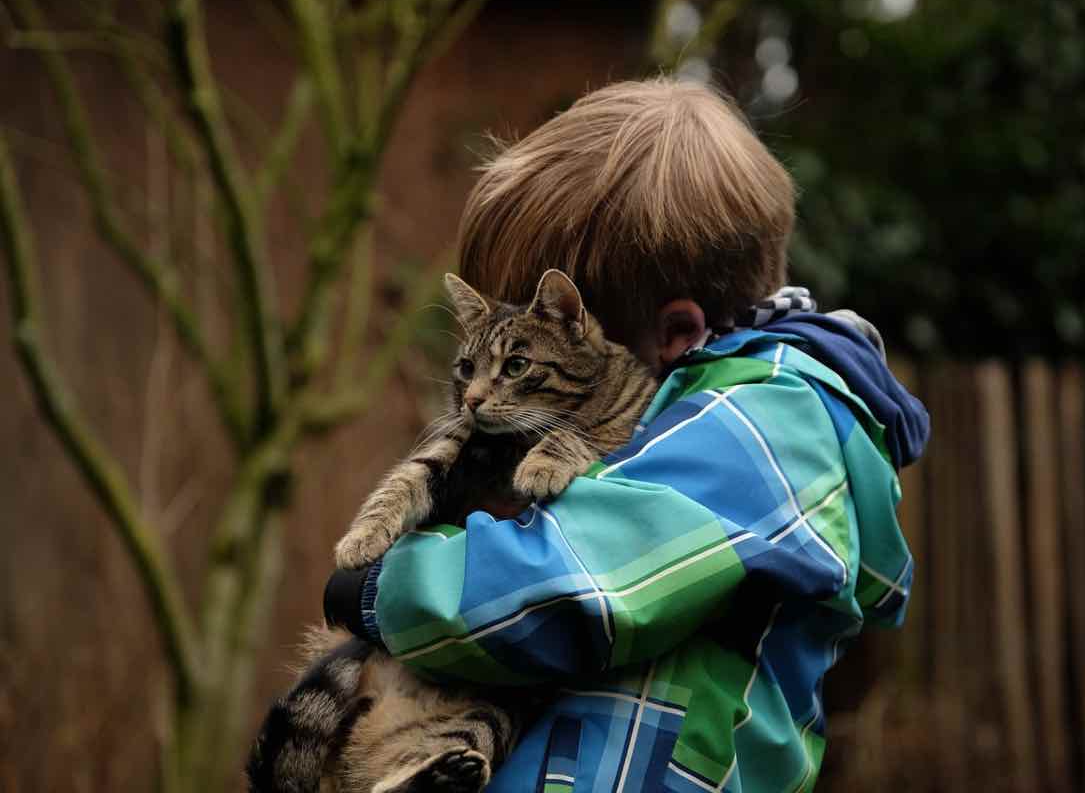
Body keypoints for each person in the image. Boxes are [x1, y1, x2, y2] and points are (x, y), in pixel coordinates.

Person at [323, 78, 929, 792]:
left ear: (676, 334)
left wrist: (377, 592)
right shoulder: (709, 419)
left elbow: (569, 588)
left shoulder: (769, 423)